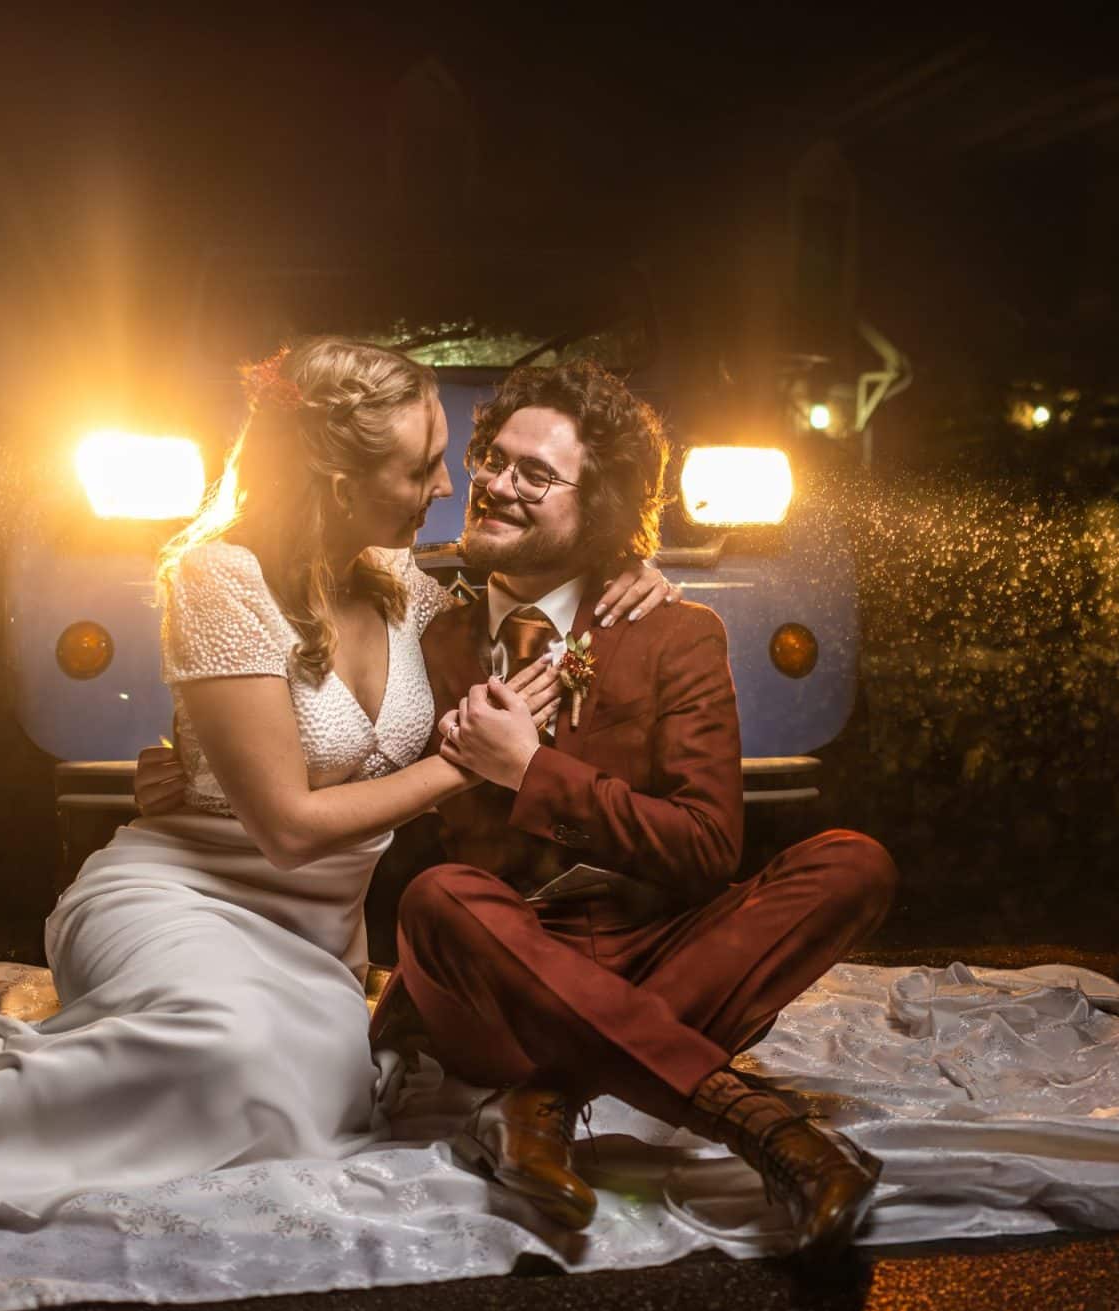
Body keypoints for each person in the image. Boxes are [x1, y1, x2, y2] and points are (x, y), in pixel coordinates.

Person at [0, 336, 674, 1231]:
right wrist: (455, 767)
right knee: (224, 1057)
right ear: (334, 485)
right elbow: (284, 826)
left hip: (312, 948)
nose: (447, 486)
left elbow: (556, 551)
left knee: (308, 1097)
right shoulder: (215, 577)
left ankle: (46, 1069)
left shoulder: (409, 579)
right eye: (422, 467)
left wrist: (638, 572)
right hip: (180, 897)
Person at [344, 361, 897, 1255]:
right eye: (494, 460)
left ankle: (546, 1099)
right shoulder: (427, 629)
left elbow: (709, 847)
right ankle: (764, 1129)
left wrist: (533, 774)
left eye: (535, 474)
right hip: (500, 970)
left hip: (654, 948)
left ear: (596, 510)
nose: (494, 486)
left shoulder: (675, 633)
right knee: (439, 897)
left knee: (852, 863)